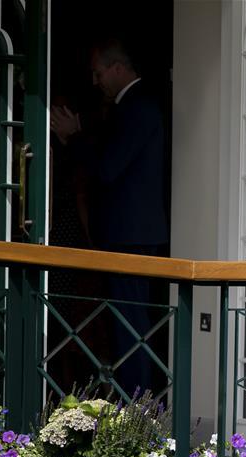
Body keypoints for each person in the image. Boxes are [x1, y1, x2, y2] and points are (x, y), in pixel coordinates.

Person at [50, 38, 168, 396]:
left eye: (98, 72)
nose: (95, 80)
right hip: (127, 233)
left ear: (117, 68)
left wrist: (73, 138)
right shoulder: (127, 106)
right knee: (125, 324)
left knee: (130, 327)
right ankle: (134, 401)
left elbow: (108, 168)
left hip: (131, 235)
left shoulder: (138, 106)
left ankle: (137, 406)